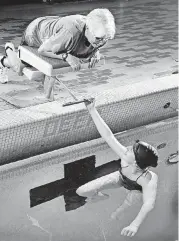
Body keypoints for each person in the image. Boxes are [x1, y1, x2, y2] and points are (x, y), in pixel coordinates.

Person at [76, 98, 159, 237]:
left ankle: (118, 212)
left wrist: (134, 225)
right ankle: (101, 197)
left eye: (132, 150)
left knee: (123, 208)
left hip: (136, 188)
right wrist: (92, 109)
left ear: (136, 163)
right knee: (82, 191)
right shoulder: (125, 156)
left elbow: (148, 204)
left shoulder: (148, 180)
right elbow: (108, 136)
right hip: (120, 177)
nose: (127, 148)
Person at [0, 8, 115, 83]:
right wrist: (67, 56)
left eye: (106, 39)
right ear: (88, 29)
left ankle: (48, 95)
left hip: (55, 31)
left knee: (49, 69)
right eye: (98, 39)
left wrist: (96, 53)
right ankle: (7, 52)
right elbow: (42, 50)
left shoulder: (100, 35)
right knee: (20, 69)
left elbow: (97, 41)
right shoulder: (70, 33)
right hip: (36, 33)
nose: (101, 42)